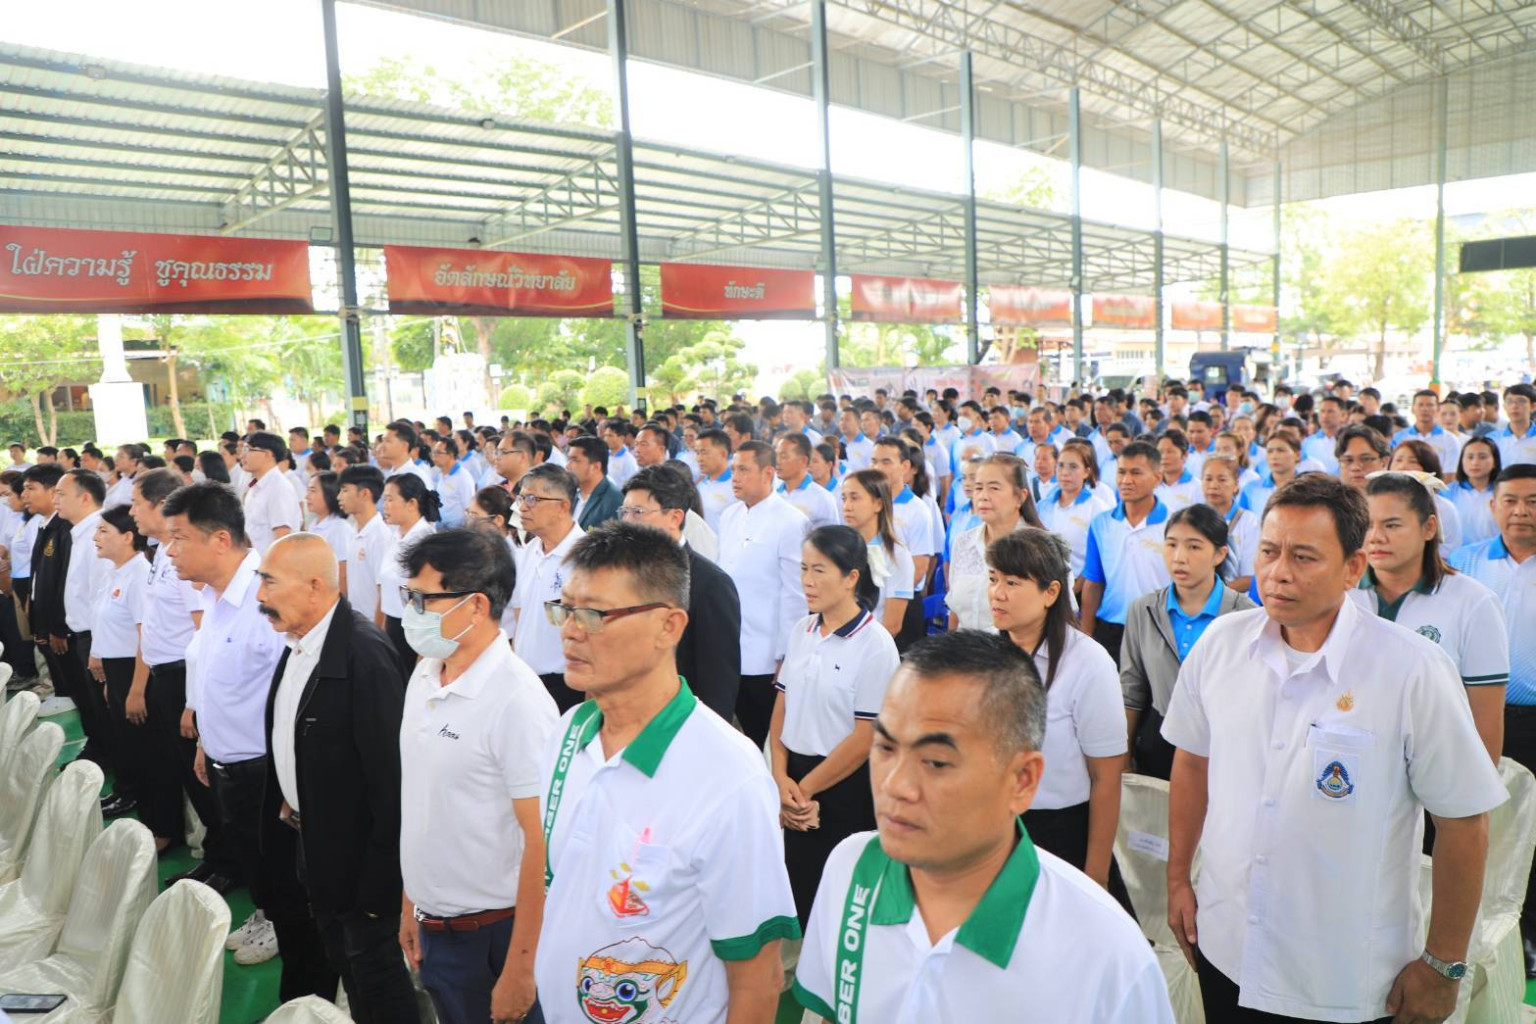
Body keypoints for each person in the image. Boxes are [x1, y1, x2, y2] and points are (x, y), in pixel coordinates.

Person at [1164, 474, 1505, 1024]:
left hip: (1345, 976)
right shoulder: (1221, 646)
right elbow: (1191, 762)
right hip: (1227, 947)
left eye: (1303, 557)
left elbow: (1464, 822)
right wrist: (1179, 877)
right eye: (1269, 551)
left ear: (1352, 568)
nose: (1278, 572)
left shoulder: (1411, 669)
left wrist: (1444, 965)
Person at [792, 629, 1173, 1023]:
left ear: (1022, 780)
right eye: (886, 748)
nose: (895, 785)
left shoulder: (1108, 953)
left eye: (936, 762)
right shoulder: (852, 868)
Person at [536, 522, 799, 1024]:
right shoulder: (570, 732)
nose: (570, 630)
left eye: (594, 614)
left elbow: (758, 978)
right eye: (564, 610)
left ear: (669, 627)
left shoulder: (728, 775)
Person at [253, 533, 418, 1024]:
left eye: (269, 582)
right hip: (317, 845)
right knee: (346, 964)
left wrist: (378, 890)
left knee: (375, 978)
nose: (260, 594)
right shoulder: (301, 644)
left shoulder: (364, 656)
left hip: (360, 866)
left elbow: (392, 784)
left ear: (314, 586)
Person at [397, 528, 557, 1024]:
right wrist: (412, 903)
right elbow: (422, 801)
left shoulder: (517, 701)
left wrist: (521, 967)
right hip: (434, 924)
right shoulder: (426, 673)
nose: (412, 612)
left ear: (476, 606)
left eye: (424, 599)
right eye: (409, 596)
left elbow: (541, 842)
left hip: (494, 935)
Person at [163, 483, 304, 985]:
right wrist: (206, 740)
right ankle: (268, 911)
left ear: (220, 540)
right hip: (228, 759)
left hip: (265, 768)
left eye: (179, 538)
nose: (169, 550)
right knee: (253, 856)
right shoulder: (216, 596)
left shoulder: (267, 599)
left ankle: (287, 928)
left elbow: (292, 697)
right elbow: (218, 675)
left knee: (279, 864)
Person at [987, 529, 1129, 905]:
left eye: (1012, 583)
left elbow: (1106, 777)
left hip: (1061, 832)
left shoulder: (1088, 663)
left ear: (1051, 592)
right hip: (992, 828)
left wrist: (1096, 874)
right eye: (993, 579)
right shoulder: (983, 653)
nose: (997, 593)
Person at [770, 525, 900, 923]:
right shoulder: (803, 630)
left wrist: (805, 791)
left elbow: (865, 737)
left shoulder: (876, 645)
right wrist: (781, 779)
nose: (807, 581)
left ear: (851, 578)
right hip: (794, 781)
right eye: (804, 569)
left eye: (819, 570)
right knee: (798, 893)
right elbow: (782, 709)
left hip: (844, 785)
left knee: (839, 902)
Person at [1350, 471, 1509, 764]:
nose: (1376, 537)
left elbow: (1486, 718)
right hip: (1355, 767)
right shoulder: (1341, 596)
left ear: (1429, 527)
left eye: (1392, 525)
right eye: (1368, 525)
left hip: (1439, 769)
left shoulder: (1474, 603)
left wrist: (1476, 787)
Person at [1449, 463, 1536, 969]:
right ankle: (1483, 929)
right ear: (1493, 506)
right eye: (1511, 500)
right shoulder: (1465, 563)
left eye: (1533, 501)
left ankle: (1531, 930)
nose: (1521, 511)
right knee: (1480, 824)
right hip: (1478, 717)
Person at [129, 469, 232, 885]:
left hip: (182, 678)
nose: (132, 512)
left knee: (203, 779)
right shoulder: (161, 553)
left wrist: (192, 701)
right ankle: (217, 855)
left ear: (160, 504)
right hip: (165, 676)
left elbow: (202, 632)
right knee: (187, 775)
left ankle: (228, 864)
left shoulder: (186, 558)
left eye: (137, 503)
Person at [1121, 504, 1254, 780]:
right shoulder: (1143, 610)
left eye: (1194, 547)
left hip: (1222, 748)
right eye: (1171, 545)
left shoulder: (1246, 615)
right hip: (1157, 747)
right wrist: (1123, 758)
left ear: (1220, 554)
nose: (1179, 557)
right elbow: (1131, 690)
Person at [619, 466, 742, 722]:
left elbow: (718, 683)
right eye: (624, 512)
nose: (627, 521)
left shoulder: (710, 584)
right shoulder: (622, 573)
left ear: (675, 517)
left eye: (638, 512)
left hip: (679, 721)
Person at [719, 440, 810, 747]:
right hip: (730, 648)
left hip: (767, 655)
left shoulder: (791, 521)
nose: (735, 477)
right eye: (733, 469)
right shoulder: (729, 516)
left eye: (743, 470)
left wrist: (786, 654)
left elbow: (795, 595)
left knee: (770, 738)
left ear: (768, 473)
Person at [87, 505, 152, 825]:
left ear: (128, 537)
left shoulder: (138, 576)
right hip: (117, 670)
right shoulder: (115, 572)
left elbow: (145, 638)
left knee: (136, 741)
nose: (95, 537)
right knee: (121, 737)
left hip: (134, 669)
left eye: (103, 531)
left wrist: (136, 690)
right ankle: (125, 788)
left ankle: (136, 793)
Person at [1080, 440, 1170, 664]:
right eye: (1121, 472)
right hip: (1111, 627)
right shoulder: (1101, 523)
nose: (1126, 480)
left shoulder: (1174, 524)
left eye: (1136, 473)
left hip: (1160, 627)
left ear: (1157, 478)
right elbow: (1093, 582)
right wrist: (1086, 633)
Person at [511, 464, 585, 712]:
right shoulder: (528, 552)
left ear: (563, 506)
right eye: (521, 498)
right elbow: (520, 616)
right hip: (524, 679)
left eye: (532, 499)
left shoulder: (586, 558)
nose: (522, 507)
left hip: (564, 684)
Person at [948, 454, 1044, 632]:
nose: (983, 496)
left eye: (994, 488)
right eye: (978, 488)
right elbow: (955, 610)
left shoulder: (1041, 548)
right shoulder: (963, 542)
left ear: (1020, 497)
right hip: (965, 646)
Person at [57, 469, 113, 759]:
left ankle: (111, 761)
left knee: (103, 708)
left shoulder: (98, 535)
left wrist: (98, 648)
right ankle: (100, 752)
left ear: (85, 498)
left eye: (61, 494)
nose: (55, 500)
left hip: (95, 637)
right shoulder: (80, 533)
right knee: (91, 705)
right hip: (83, 634)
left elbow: (102, 597)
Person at [377, 474, 440, 675]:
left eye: (390, 499)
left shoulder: (425, 541)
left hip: (415, 631)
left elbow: (428, 601)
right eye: (384, 500)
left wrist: (423, 653)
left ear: (411, 503)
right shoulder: (395, 535)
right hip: (393, 624)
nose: (385, 506)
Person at [840, 469, 914, 641]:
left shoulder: (896, 554)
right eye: (844, 498)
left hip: (870, 646)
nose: (847, 506)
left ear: (878, 504)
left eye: (855, 498)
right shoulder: (841, 547)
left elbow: (892, 625)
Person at [1038, 442, 1114, 582]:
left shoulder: (1098, 509)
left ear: (1086, 472)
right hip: (1045, 584)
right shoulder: (1043, 506)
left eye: (1073, 467)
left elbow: (1100, 561)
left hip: (1080, 587)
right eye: (1061, 465)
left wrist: (1074, 589)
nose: (1065, 472)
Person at [1388, 439, 1464, 553]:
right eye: (1398, 460)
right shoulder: (1380, 504)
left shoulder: (1444, 508)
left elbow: (1450, 550)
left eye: (1413, 461)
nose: (1403, 466)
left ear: (1429, 469)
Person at [338, 465, 391, 624]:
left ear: (364, 494)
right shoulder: (354, 531)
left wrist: (377, 632)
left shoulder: (380, 537)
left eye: (345, 490)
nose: (339, 496)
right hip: (356, 622)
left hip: (371, 625)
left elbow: (384, 593)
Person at [1200, 454, 1258, 593]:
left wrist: (1213, 596)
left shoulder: (1249, 522)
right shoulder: (1193, 519)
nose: (1213, 486)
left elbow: (1249, 577)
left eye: (1222, 479)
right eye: (1208, 479)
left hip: (1236, 600)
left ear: (1236, 484)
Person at [241, 432, 303, 555]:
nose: (242, 455)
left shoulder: (278, 487)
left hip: (271, 564)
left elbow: (283, 539)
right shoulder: (256, 486)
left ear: (268, 454)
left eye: (248, 450)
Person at [774, 433, 840, 528]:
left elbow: (831, 535)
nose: (777, 461)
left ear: (803, 460)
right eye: (776, 455)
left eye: (784, 456)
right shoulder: (773, 493)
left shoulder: (823, 498)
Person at [1449, 435, 1501, 547]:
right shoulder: (1448, 492)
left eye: (1482, 457)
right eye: (1470, 457)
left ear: (1495, 462)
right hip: (1456, 555)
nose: (1475, 462)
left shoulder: (1503, 491)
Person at [1394, 389, 1462, 473]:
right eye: (1420, 405)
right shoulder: (1398, 437)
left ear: (1438, 409)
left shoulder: (1450, 440)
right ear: (1412, 409)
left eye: (1430, 405)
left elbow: (1449, 474)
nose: (1425, 409)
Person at [305, 471, 351, 595]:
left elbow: (343, 574)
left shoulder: (340, 528)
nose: (307, 496)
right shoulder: (313, 525)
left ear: (329, 493)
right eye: (308, 490)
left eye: (313, 491)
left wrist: (340, 603)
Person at [566, 436, 620, 529]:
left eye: (574, 460)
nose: (567, 466)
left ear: (595, 467)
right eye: (568, 459)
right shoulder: (569, 492)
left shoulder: (613, 501)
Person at [1240, 431, 1300, 512]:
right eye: (1270, 451)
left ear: (1297, 455)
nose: (1274, 456)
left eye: (1281, 450)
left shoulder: (1308, 489)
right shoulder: (1251, 489)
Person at [694, 428, 736, 532]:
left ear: (723, 454)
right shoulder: (700, 485)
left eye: (704, 452)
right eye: (697, 453)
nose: (699, 459)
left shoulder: (736, 486)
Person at [430, 436, 476, 529]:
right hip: (441, 525)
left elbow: (469, 508)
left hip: (455, 529)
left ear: (450, 455)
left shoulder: (463, 478)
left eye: (438, 452)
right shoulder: (441, 474)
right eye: (433, 452)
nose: (433, 456)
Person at [1154, 429, 1201, 511]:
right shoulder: (1151, 486)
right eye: (1160, 452)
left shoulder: (1198, 488)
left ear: (1185, 455)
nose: (1164, 457)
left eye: (1170, 452)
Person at [1492, 383, 1536, 467]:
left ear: (1533, 406)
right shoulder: (1492, 439)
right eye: (1509, 401)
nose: (1514, 406)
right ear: (1504, 407)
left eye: (1521, 401)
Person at [600, 419, 639, 488]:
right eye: (605, 436)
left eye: (610, 436)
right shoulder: (603, 456)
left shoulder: (628, 460)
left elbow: (632, 484)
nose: (606, 439)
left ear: (621, 438)